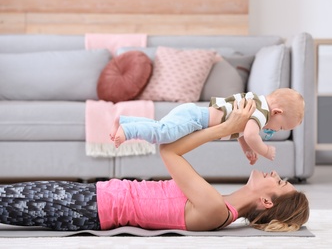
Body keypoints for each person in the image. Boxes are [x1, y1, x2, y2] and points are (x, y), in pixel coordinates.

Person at [0, 100, 309, 232]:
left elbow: (170, 152)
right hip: (93, 198)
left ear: (266, 202)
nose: (275, 174)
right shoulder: (218, 204)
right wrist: (236, 129)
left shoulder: (216, 210)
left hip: (89, 207)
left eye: (280, 183)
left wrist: (227, 126)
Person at [111, 88, 305, 164]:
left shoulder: (257, 103)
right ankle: (129, 131)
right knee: (163, 135)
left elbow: (242, 133)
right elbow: (251, 135)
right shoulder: (262, 113)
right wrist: (265, 150)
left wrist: (246, 150)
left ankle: (125, 121)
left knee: (160, 127)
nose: (275, 130)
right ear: (277, 112)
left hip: (193, 113)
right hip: (195, 119)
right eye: (280, 127)